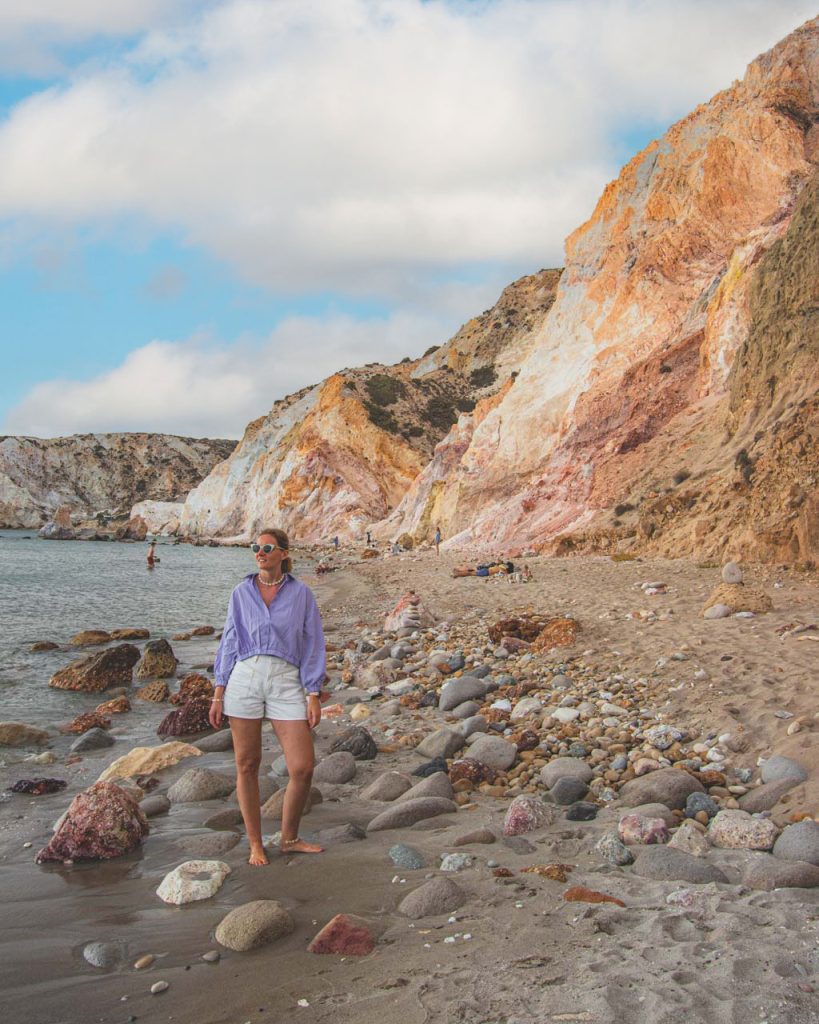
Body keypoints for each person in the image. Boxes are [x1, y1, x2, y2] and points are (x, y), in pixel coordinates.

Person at [208, 527, 326, 865]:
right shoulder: (240, 593)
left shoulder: (301, 594)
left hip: (287, 679)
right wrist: (219, 691)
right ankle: (256, 844)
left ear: (284, 554)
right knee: (247, 765)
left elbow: (313, 642)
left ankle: (289, 838)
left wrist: (313, 691)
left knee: (302, 767)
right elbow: (230, 641)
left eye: (267, 547)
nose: (260, 553)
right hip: (245, 678)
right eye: (255, 547)